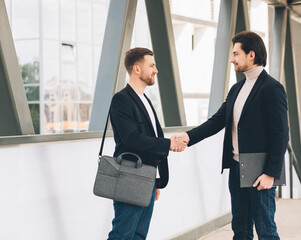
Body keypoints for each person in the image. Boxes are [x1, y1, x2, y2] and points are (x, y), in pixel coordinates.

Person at [175, 31, 289, 240]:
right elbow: (217, 121)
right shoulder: (237, 89)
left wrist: (271, 174)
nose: (232, 59)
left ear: (251, 55)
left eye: (236, 54)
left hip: (260, 171)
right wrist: (187, 137)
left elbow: (281, 134)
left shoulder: (272, 88)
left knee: (266, 230)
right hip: (237, 168)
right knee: (240, 229)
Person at [108, 47, 186, 239]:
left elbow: (149, 138)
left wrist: (155, 179)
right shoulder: (121, 100)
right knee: (123, 233)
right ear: (136, 69)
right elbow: (131, 139)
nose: (156, 70)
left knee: (139, 234)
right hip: (130, 177)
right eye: (151, 65)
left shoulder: (145, 100)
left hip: (146, 176)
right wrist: (168, 144)